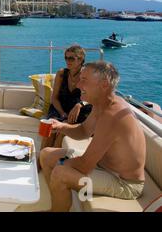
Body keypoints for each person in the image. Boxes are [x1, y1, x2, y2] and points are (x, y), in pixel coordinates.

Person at [40, 61, 146, 212]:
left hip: (124, 183)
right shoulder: (101, 104)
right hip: (103, 166)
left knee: (60, 173)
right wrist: (61, 126)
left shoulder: (113, 115)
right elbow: (83, 131)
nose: (78, 85)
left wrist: (62, 164)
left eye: (84, 80)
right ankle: (58, 204)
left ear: (103, 84)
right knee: (46, 155)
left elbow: (84, 165)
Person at [43, 45, 92, 149]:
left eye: (71, 58)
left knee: (62, 132)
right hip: (59, 108)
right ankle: (40, 161)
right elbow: (54, 98)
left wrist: (79, 104)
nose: (67, 61)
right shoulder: (61, 74)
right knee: (49, 128)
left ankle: (51, 161)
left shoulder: (87, 76)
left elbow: (93, 97)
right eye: (66, 58)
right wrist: (62, 113)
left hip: (78, 112)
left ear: (80, 59)